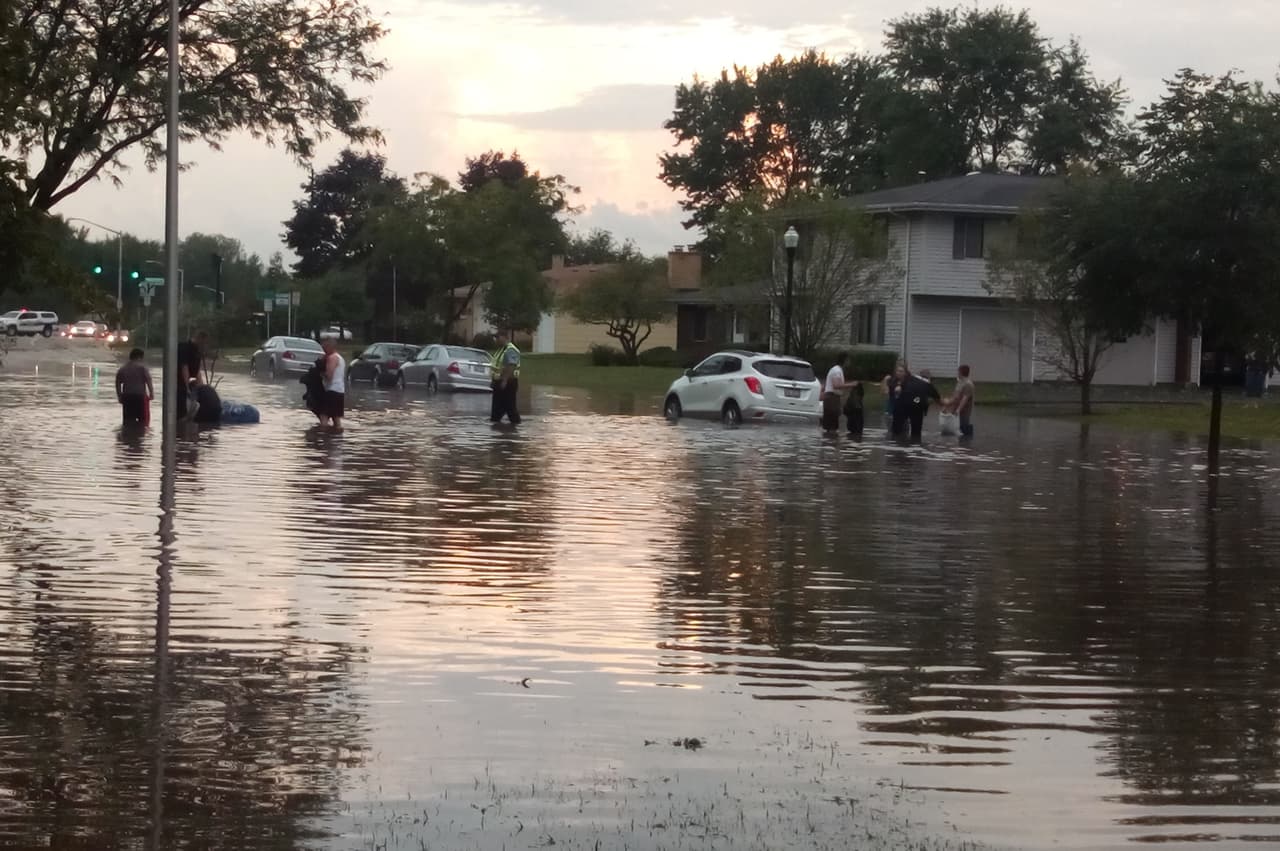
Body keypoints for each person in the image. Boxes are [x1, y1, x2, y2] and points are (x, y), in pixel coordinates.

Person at [897, 367, 941, 443]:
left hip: (903, 405)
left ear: (920, 374)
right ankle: (915, 444)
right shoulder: (928, 384)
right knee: (916, 431)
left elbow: (900, 388)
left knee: (899, 427)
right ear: (929, 377)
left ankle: (898, 442)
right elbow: (937, 398)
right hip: (917, 407)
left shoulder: (910, 379)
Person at [489, 330, 522, 425]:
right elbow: (497, 367)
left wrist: (504, 381)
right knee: (496, 409)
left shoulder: (510, 349)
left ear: (504, 337)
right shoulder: (501, 350)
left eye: (497, 337)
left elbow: (511, 366)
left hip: (508, 382)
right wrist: (493, 380)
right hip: (499, 382)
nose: (496, 340)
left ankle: (515, 427)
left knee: (510, 408)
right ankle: (496, 427)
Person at [821, 352, 859, 433]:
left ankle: (828, 442)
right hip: (832, 399)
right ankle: (831, 442)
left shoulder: (836, 370)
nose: (849, 362)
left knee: (831, 425)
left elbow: (826, 385)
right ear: (844, 360)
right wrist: (851, 384)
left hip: (831, 398)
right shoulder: (837, 370)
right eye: (848, 360)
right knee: (832, 426)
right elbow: (836, 385)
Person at [115, 348, 154, 427]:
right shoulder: (142, 368)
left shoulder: (123, 369)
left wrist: (119, 396)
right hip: (139, 397)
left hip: (127, 397)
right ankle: (139, 436)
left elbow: (118, 383)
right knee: (142, 421)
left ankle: (128, 436)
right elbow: (148, 381)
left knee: (128, 421)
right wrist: (151, 393)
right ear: (139, 357)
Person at [176, 330, 207, 421]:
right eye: (204, 343)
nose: (204, 346)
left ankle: (184, 429)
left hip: (186, 383)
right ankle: (181, 430)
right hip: (178, 384)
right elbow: (184, 368)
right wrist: (187, 388)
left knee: (190, 411)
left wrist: (202, 388)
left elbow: (197, 371)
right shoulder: (185, 348)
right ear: (199, 339)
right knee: (182, 414)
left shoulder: (196, 350)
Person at [320, 336, 346, 431]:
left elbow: (329, 376)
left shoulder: (332, 358)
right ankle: (337, 438)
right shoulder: (340, 358)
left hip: (332, 391)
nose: (323, 349)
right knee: (336, 417)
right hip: (339, 391)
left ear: (329, 346)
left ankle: (323, 436)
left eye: (324, 347)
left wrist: (320, 374)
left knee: (324, 416)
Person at [882, 363, 908, 434]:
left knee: (904, 432)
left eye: (901, 371)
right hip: (891, 411)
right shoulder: (892, 381)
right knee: (891, 432)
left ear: (905, 373)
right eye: (898, 371)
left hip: (904, 412)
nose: (899, 373)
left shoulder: (908, 382)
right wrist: (885, 381)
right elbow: (885, 392)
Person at [953, 364, 976, 438]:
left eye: (958, 371)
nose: (957, 373)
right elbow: (955, 396)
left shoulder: (968, 384)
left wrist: (958, 410)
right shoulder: (960, 382)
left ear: (961, 372)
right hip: (956, 408)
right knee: (956, 429)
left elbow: (965, 398)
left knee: (963, 427)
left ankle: (966, 443)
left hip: (964, 410)